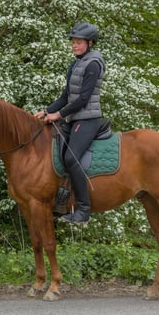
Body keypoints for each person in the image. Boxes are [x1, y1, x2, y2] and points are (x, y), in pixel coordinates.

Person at [34, 22, 105, 224]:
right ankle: (60, 199)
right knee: (52, 150)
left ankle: (83, 210)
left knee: (72, 158)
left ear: (90, 43)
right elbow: (66, 95)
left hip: (88, 119)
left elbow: (83, 99)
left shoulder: (93, 64)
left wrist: (59, 115)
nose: (74, 45)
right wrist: (47, 110)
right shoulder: (75, 64)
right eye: (73, 42)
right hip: (74, 118)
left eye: (78, 42)